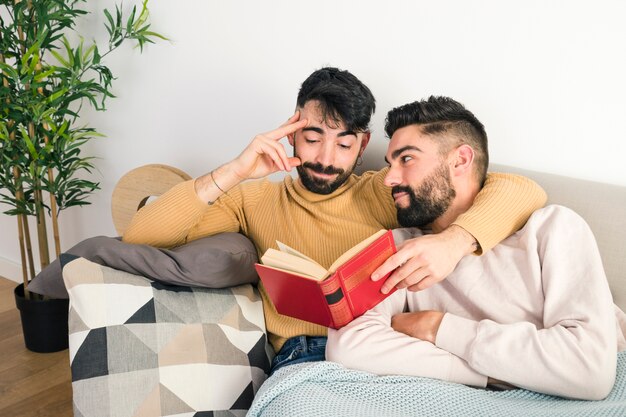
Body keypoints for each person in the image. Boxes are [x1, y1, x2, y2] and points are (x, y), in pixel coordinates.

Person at [122, 68, 547, 373]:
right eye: (312, 139)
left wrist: (454, 242)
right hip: (303, 356)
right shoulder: (253, 199)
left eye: (344, 144)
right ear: (290, 134)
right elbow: (140, 234)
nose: (327, 160)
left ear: (362, 145)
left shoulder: (383, 190)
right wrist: (234, 170)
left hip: (386, 348)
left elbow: (522, 190)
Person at [326, 96, 626, 400]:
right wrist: (495, 373)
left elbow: (589, 370)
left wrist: (438, 328)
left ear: (460, 160)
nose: (389, 178)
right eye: (391, 163)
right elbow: (349, 346)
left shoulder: (553, 228)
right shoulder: (402, 246)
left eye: (407, 159)